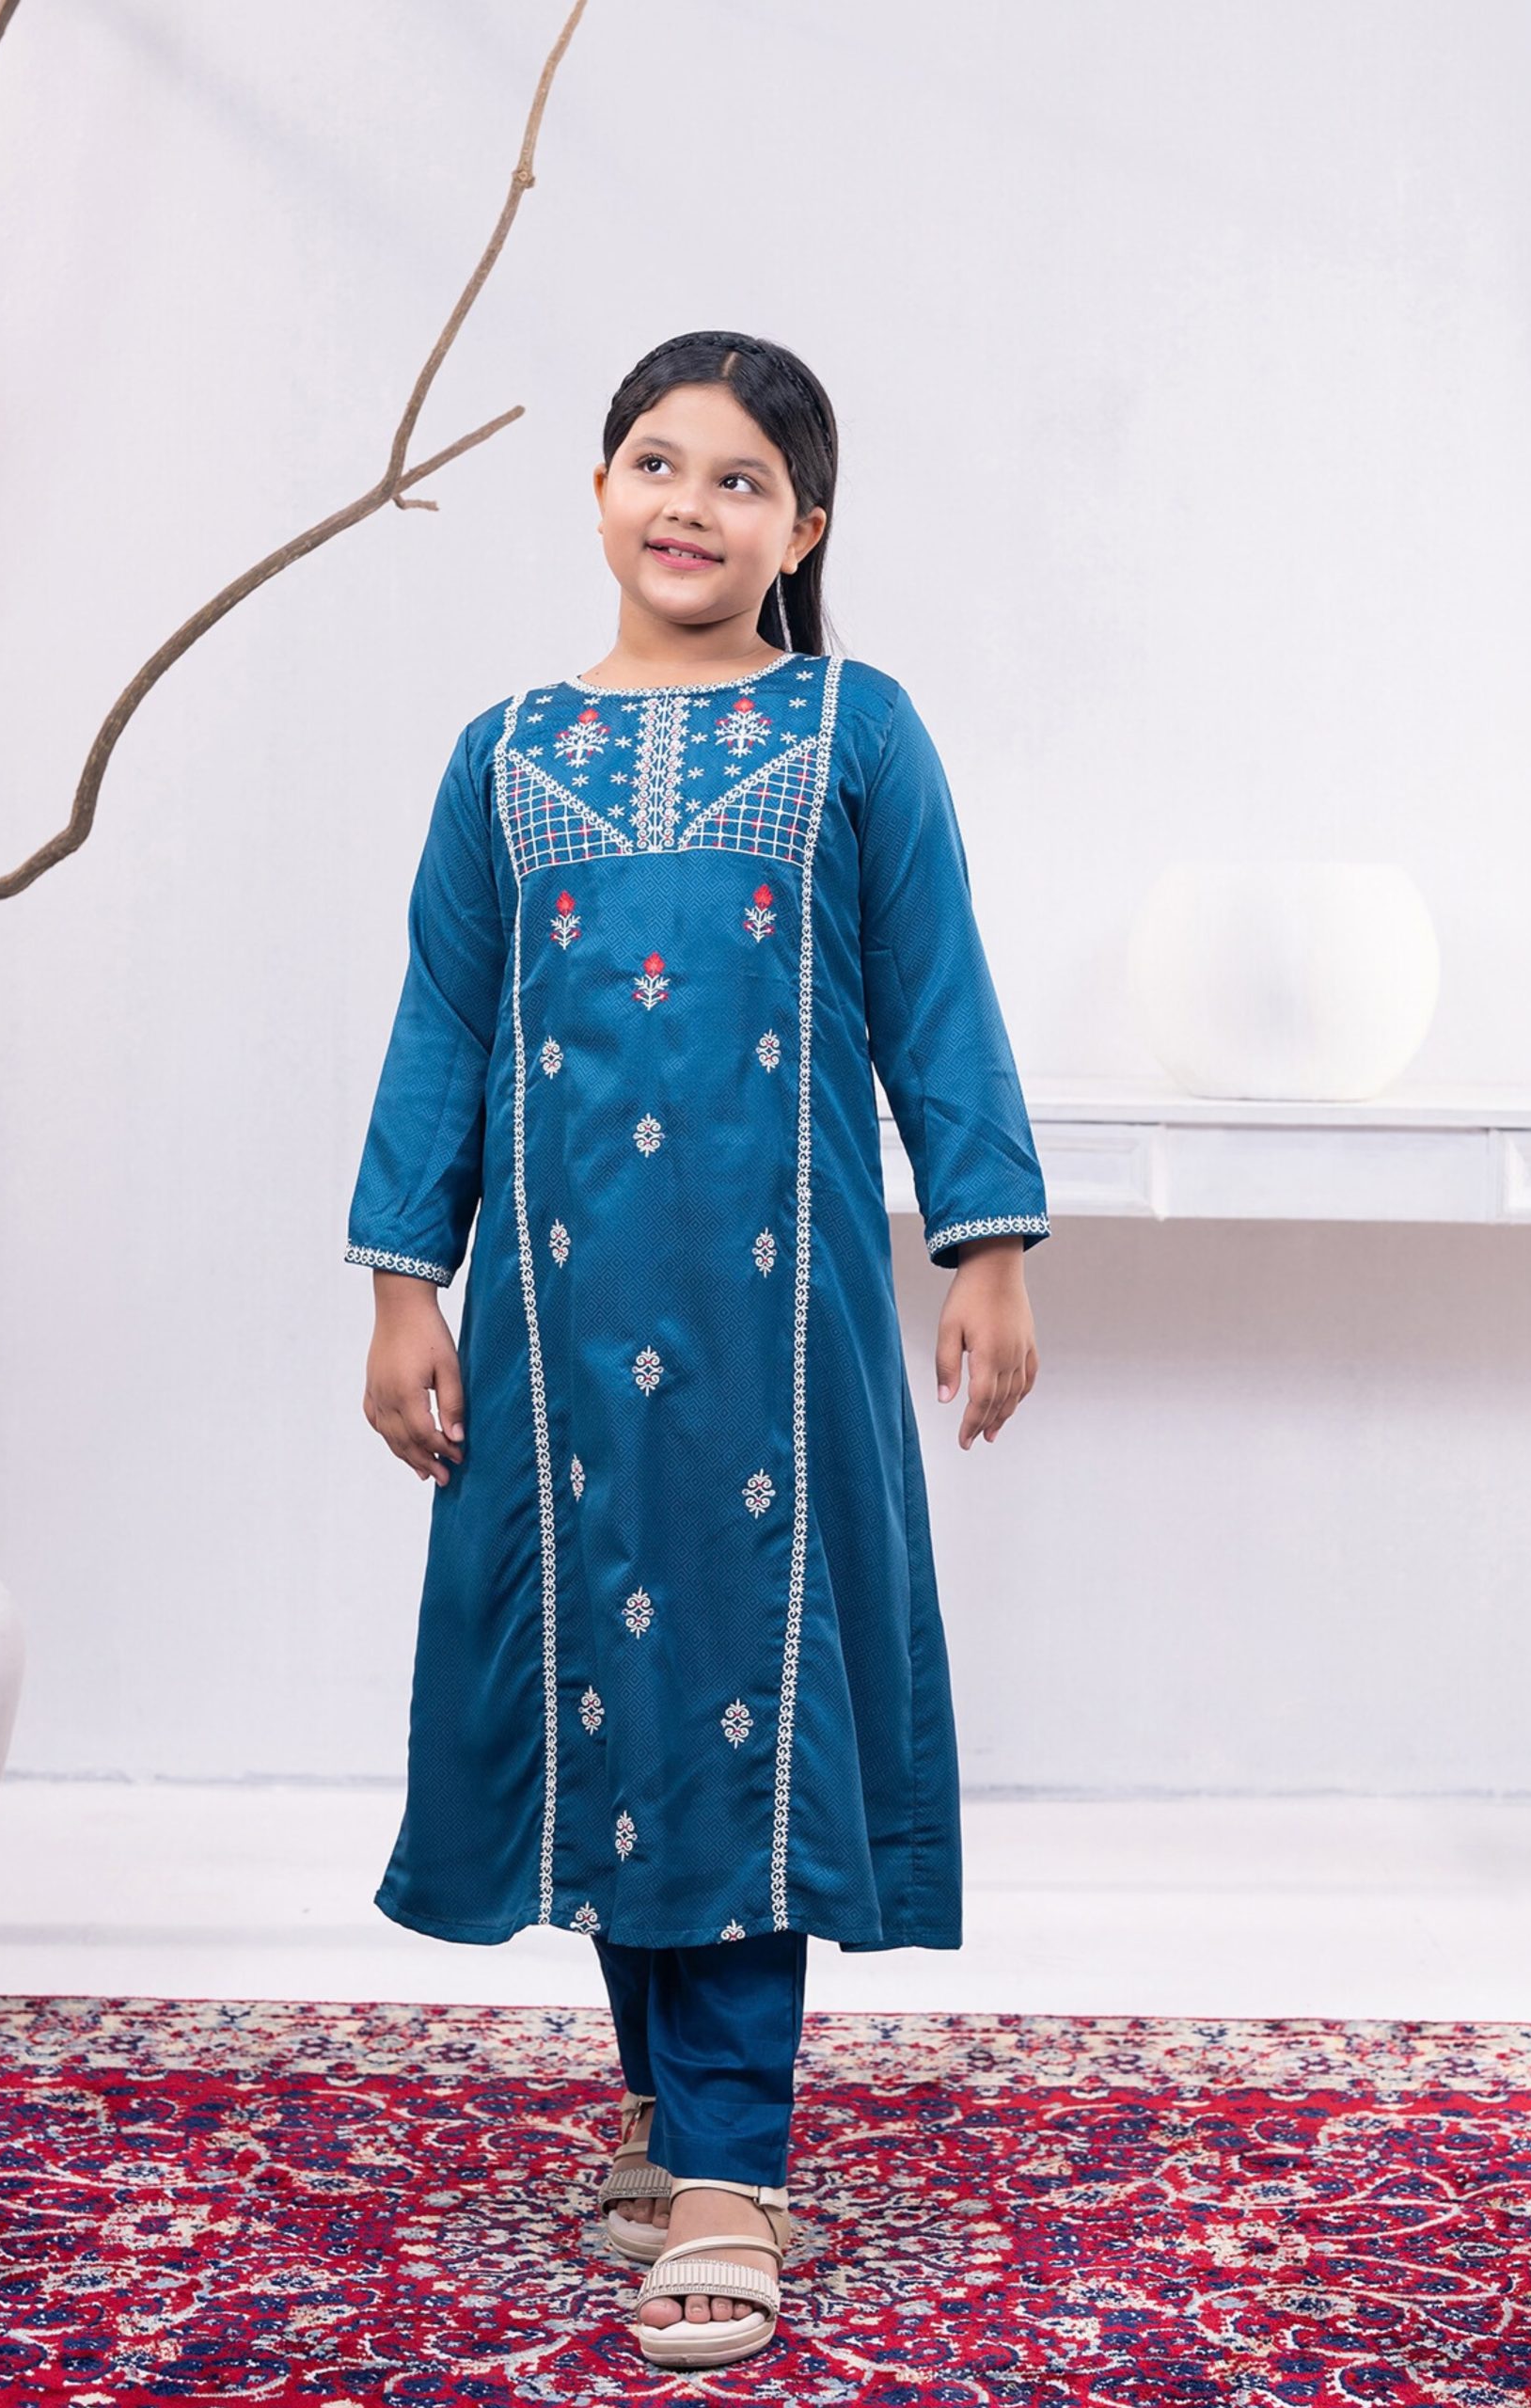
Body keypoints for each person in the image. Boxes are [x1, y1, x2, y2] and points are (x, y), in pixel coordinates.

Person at [345, 329, 1050, 2368]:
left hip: (777, 1323)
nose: (689, 503)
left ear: (801, 530)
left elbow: (936, 994)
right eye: (655, 461)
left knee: (746, 1681)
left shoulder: (852, 729)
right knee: (599, 1681)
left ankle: (733, 2167)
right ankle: (670, 2116)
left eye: (740, 479)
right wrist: (403, 1285)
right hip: (554, 1324)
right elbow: (441, 1025)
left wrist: (987, 1249)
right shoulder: (503, 754)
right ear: (595, 492)